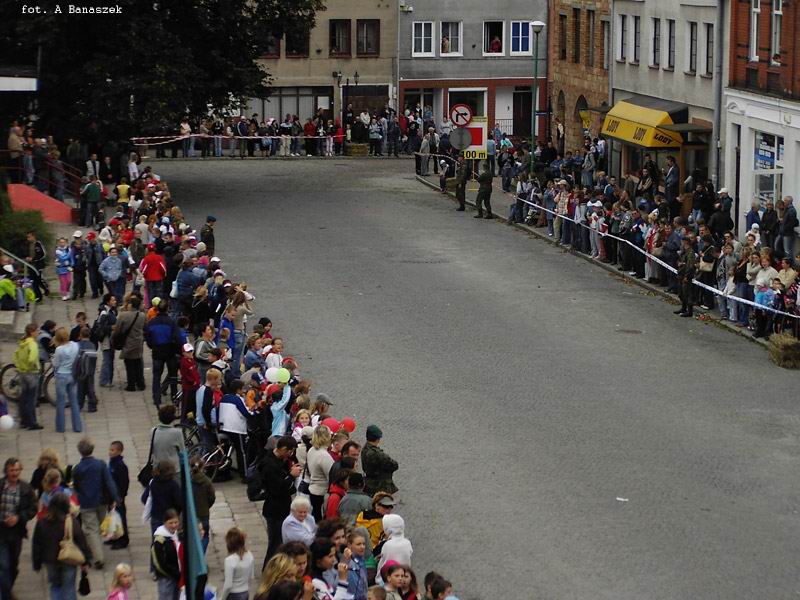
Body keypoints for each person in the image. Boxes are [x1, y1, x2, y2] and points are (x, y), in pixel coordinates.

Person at [31, 492, 91, 600]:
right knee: (69, 587)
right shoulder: (71, 521)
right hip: (69, 559)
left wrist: (37, 563)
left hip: (50, 560)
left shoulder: (42, 522)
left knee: (54, 587)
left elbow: (37, 544)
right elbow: (81, 541)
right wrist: (86, 560)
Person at [72, 438, 119, 569]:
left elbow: (76, 486)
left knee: (91, 529)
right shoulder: (101, 464)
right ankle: (95, 551)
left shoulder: (78, 468)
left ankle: (97, 557)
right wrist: (115, 497)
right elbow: (109, 481)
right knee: (97, 527)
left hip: (86, 502)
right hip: (101, 501)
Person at [260, 436, 302, 562]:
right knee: (275, 544)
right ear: (283, 449)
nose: (291, 454)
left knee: (279, 543)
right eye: (290, 451)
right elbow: (277, 488)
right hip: (275, 510)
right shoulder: (269, 465)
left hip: (281, 508)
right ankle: (269, 570)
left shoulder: (278, 460)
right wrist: (291, 475)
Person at [0, 457, 37, 600]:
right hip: (1, 531)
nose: (14, 473)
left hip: (16, 532)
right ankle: (6, 596)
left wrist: (19, 517)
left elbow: (33, 508)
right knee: (3, 565)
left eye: (17, 470)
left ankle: (7, 588)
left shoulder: (26, 488)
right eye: (11, 470)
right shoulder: (1, 486)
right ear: (6, 471)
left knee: (13, 564)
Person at [145, 301, 181, 408]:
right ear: (167, 309)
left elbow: (148, 338)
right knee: (172, 375)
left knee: (156, 376)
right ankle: (174, 396)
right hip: (170, 351)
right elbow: (176, 338)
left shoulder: (152, 322)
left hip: (157, 351)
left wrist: (153, 346)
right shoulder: (171, 322)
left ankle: (156, 398)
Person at [13, 322, 43, 430]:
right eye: (37, 331)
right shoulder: (33, 344)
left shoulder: (22, 342)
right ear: (32, 332)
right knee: (31, 399)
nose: (38, 332)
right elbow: (32, 358)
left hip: (22, 372)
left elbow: (15, 355)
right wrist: (33, 366)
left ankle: (23, 421)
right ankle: (32, 423)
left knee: (23, 398)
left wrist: (20, 366)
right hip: (31, 373)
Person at [51, 327, 82, 433]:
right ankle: (77, 427)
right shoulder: (75, 345)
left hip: (61, 375)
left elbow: (56, 364)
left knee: (60, 402)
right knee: (74, 401)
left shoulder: (59, 350)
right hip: (72, 375)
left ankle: (60, 427)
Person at [112, 295, 145, 392]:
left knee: (129, 363)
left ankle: (131, 384)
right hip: (138, 341)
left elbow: (118, 329)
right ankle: (140, 383)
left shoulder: (123, 315)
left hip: (128, 342)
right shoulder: (142, 315)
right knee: (138, 363)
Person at [151, 509, 181, 600]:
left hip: (177, 575)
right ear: (164, 522)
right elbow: (158, 562)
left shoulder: (177, 535)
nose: (174, 525)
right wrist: (172, 573)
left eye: (176, 522)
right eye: (170, 523)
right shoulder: (159, 540)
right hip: (166, 577)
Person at [308, 425, 335, 521]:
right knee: (320, 520)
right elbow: (331, 476)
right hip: (321, 493)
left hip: (312, 489)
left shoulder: (311, 450)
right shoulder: (324, 455)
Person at [361, 425, 398, 496]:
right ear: (378, 439)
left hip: (368, 483)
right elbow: (395, 465)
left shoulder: (364, 449)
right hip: (380, 486)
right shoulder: (378, 454)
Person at [150, 404, 186, 477]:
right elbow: (182, 451)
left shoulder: (153, 431)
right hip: (173, 470)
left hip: (157, 469)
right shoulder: (177, 433)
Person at [221, 527, 254, 600]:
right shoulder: (250, 555)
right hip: (245, 592)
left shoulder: (229, 560)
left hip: (233, 595)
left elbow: (228, 585)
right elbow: (251, 576)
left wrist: (222, 598)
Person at [189, 459, 215, 553]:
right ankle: (201, 554)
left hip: (191, 514)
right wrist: (206, 506)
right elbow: (212, 497)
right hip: (203, 513)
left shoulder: (188, 481)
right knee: (204, 536)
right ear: (202, 467)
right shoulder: (207, 481)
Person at [108, 441, 130, 549]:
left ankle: (123, 539)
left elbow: (123, 483)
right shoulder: (112, 463)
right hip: (111, 496)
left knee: (120, 517)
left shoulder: (120, 466)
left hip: (118, 497)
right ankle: (115, 537)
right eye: (110, 449)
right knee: (113, 517)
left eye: (113, 450)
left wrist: (119, 497)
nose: (110, 452)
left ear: (119, 451)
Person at [75, 327, 99, 412]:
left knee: (80, 389)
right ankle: (92, 406)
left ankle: (79, 405)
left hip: (80, 371)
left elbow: (76, 358)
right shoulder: (92, 345)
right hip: (90, 371)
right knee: (90, 389)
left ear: (80, 335)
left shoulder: (77, 345)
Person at [674, 236, 697, 318]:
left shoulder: (690, 252)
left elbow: (690, 265)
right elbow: (680, 260)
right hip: (681, 273)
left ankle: (689, 311)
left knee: (687, 293)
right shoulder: (684, 251)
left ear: (685, 242)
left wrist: (687, 276)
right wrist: (679, 263)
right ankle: (683, 308)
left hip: (686, 275)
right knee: (681, 293)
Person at [346, 531, 369, 600]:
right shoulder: (351, 564)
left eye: (363, 544)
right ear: (350, 545)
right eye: (358, 544)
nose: (362, 547)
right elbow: (356, 590)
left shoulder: (361, 561)